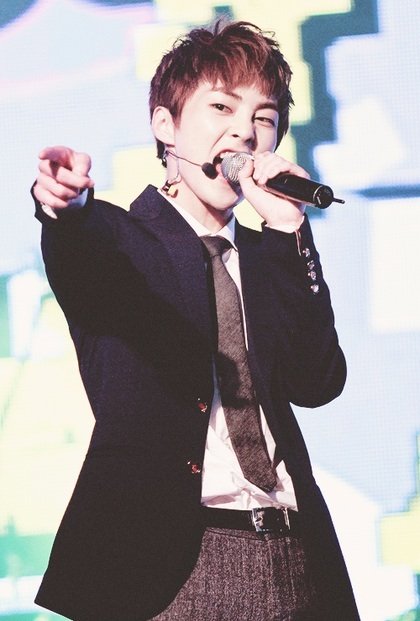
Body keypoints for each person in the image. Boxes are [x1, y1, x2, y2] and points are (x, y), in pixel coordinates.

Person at [32, 19, 360, 621]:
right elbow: (82, 243)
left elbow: (318, 382)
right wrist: (65, 204)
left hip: (296, 555)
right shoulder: (122, 242)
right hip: (170, 567)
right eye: (222, 107)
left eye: (264, 117)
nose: (245, 131)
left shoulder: (269, 258)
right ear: (166, 126)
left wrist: (289, 230)